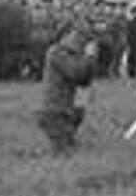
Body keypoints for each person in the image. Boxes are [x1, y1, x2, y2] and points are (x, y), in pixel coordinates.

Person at [35, 23, 99, 153]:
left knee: (73, 149)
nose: (81, 42)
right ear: (65, 36)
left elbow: (84, 81)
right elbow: (76, 73)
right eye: (77, 37)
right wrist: (89, 56)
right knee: (64, 152)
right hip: (55, 113)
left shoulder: (71, 54)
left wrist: (91, 60)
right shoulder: (56, 52)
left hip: (66, 112)